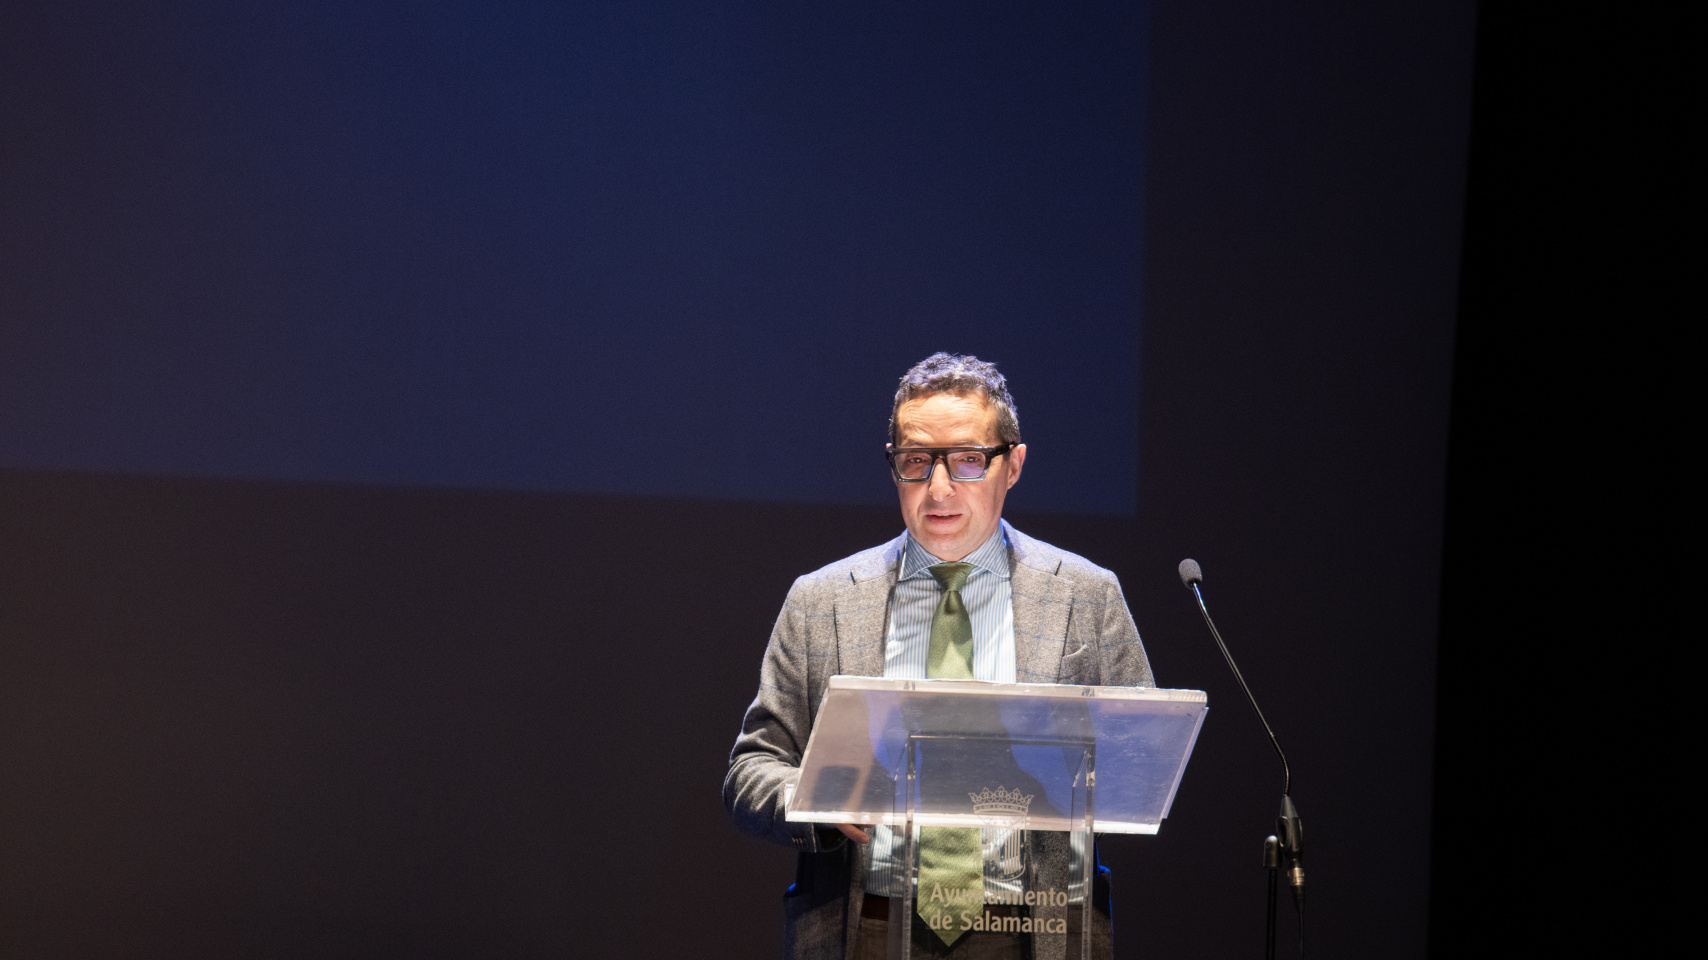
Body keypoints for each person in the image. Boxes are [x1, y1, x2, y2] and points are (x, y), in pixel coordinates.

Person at [725, 353, 1154, 960]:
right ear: (894, 467)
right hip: (869, 924)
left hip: (1038, 930)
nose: (940, 487)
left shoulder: (1085, 595)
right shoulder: (821, 601)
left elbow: (1141, 764)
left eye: (969, 460)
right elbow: (751, 772)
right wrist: (818, 801)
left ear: (1014, 466)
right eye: (917, 461)